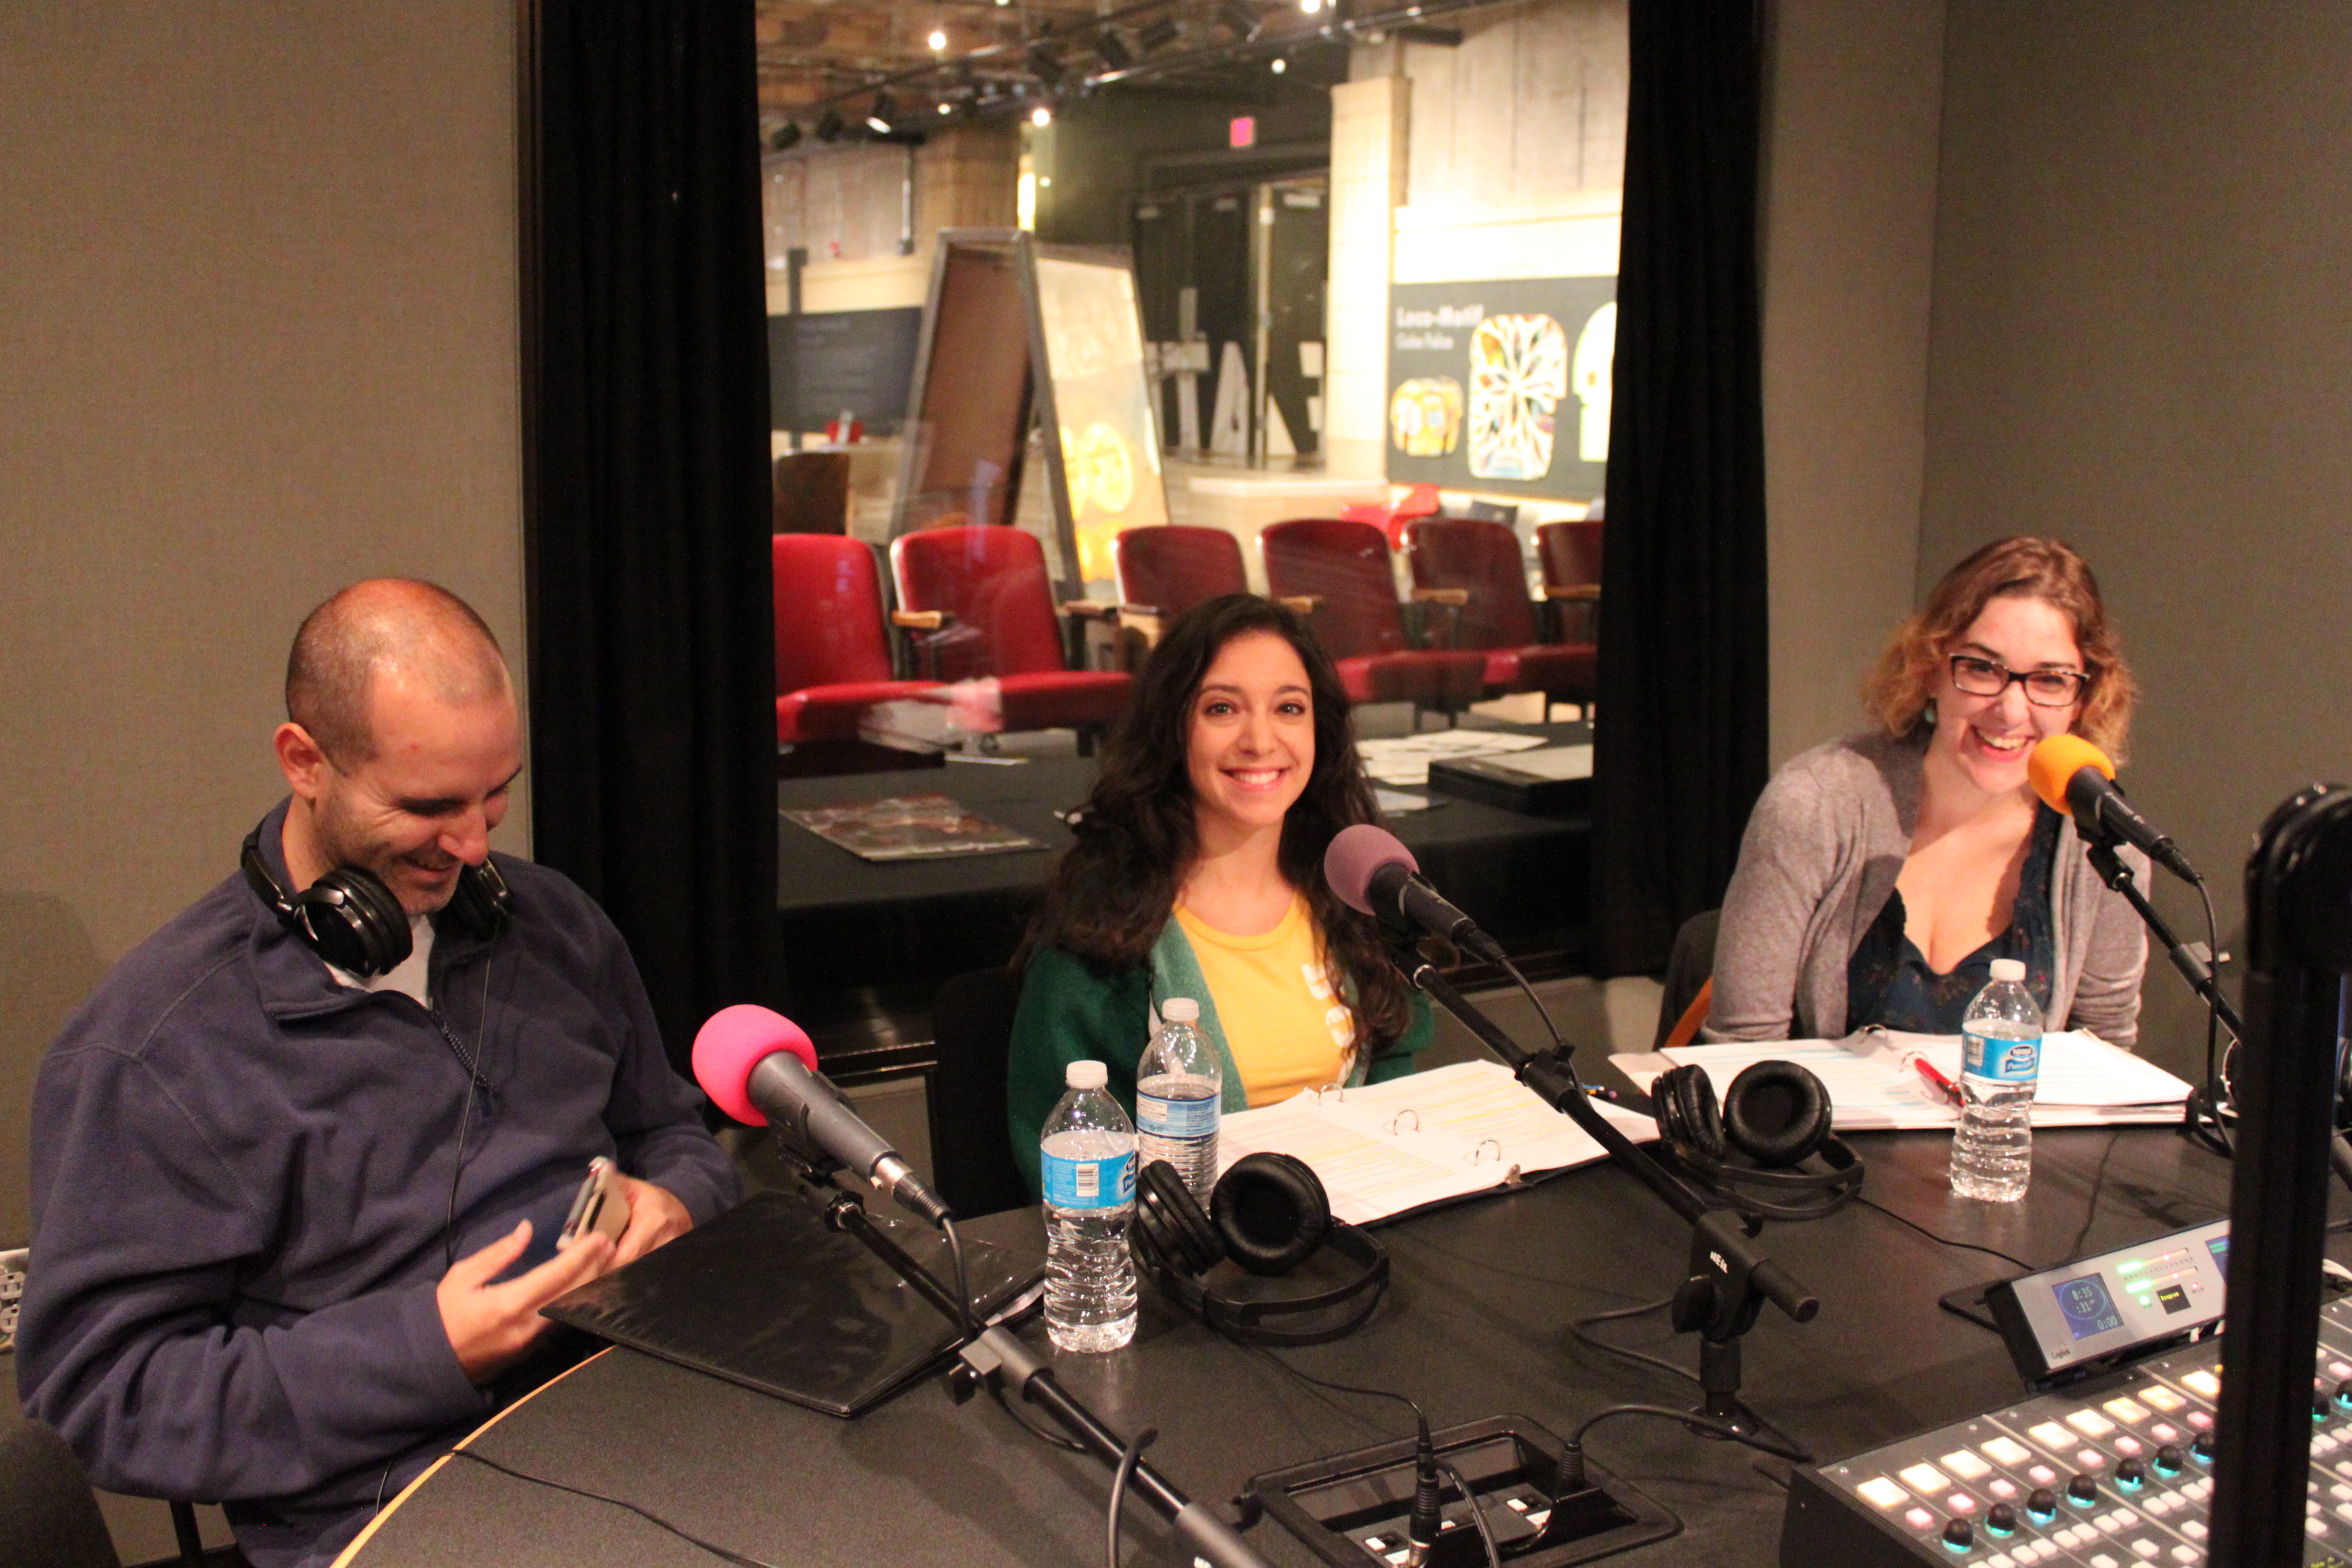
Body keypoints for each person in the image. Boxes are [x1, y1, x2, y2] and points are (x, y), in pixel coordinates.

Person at [17, 580, 740, 1568]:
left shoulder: (554, 924)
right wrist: (428, 1345)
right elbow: (111, 1394)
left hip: (644, 1416)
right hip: (391, 1508)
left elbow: (673, 1132)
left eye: (495, 794)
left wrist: (678, 1201)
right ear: (304, 762)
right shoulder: (153, 1048)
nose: (477, 845)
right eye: (430, 805)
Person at [1007, 594, 1433, 1195]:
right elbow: (1059, 1146)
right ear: (1173, 727)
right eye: (1223, 708)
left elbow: (1397, 1071)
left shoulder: (1349, 894)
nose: (1261, 741)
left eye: (1289, 708)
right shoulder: (1103, 932)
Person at [1707, 536, 2148, 1044]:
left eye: (2049, 680)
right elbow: (1742, 1051)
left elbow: (2105, 1058)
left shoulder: (2105, 839)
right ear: (1931, 667)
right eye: (1982, 668)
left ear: (2083, 697)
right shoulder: (1816, 803)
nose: (2009, 710)